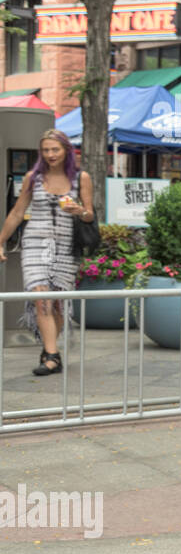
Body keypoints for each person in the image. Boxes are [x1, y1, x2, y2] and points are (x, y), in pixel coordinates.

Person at [0, 128, 96, 376]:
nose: (51, 154)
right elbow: (17, 212)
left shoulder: (81, 177)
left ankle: (49, 351)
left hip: (66, 246)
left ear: (66, 150)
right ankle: (52, 355)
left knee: (57, 304)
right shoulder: (34, 177)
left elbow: (90, 214)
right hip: (35, 243)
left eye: (55, 149)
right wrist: (0, 241)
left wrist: (79, 212)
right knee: (41, 296)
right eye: (46, 150)